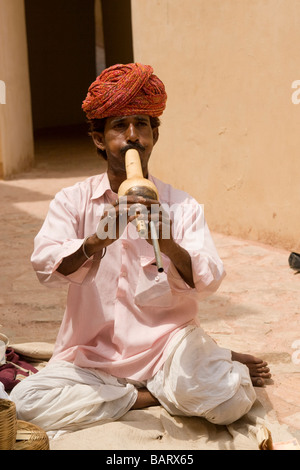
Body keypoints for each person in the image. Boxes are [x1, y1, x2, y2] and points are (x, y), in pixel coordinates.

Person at [11, 63, 271, 433]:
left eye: (142, 125)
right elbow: (45, 266)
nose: (133, 136)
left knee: (229, 400)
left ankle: (191, 368)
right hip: (91, 354)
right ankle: (151, 393)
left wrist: (166, 239)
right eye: (120, 126)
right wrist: (95, 241)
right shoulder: (72, 201)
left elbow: (208, 278)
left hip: (166, 347)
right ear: (100, 139)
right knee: (24, 403)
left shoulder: (181, 205)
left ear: (154, 135)